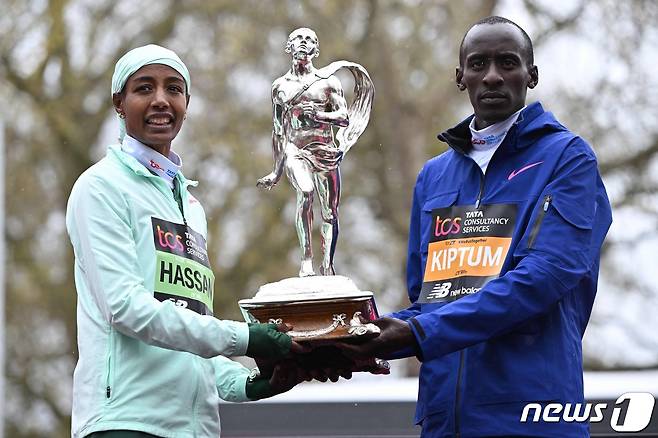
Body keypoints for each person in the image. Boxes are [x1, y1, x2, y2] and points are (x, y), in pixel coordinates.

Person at [339, 16, 613, 437]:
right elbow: (428, 300)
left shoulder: (568, 159)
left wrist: (417, 332)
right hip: (444, 419)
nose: (492, 77)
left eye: (507, 63)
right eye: (478, 64)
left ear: (531, 75)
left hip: (532, 417)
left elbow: (542, 278)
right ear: (459, 76)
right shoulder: (433, 176)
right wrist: (351, 336)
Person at [66, 44, 308, 438]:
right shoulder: (100, 187)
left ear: (186, 102)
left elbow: (190, 328)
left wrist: (248, 384)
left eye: (173, 89)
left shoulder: (190, 205)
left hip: (195, 429)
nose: (161, 100)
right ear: (119, 103)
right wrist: (244, 338)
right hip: (126, 424)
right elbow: (127, 309)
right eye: (144, 88)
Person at [257, 28, 374, 277]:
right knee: (306, 192)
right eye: (298, 39)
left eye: (309, 39)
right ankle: (306, 261)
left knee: (330, 210)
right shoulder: (280, 87)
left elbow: (343, 117)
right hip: (295, 150)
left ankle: (327, 265)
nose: (303, 43)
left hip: (325, 150)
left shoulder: (329, 83)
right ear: (289, 47)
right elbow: (279, 131)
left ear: (316, 50)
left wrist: (319, 115)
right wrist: (276, 172)